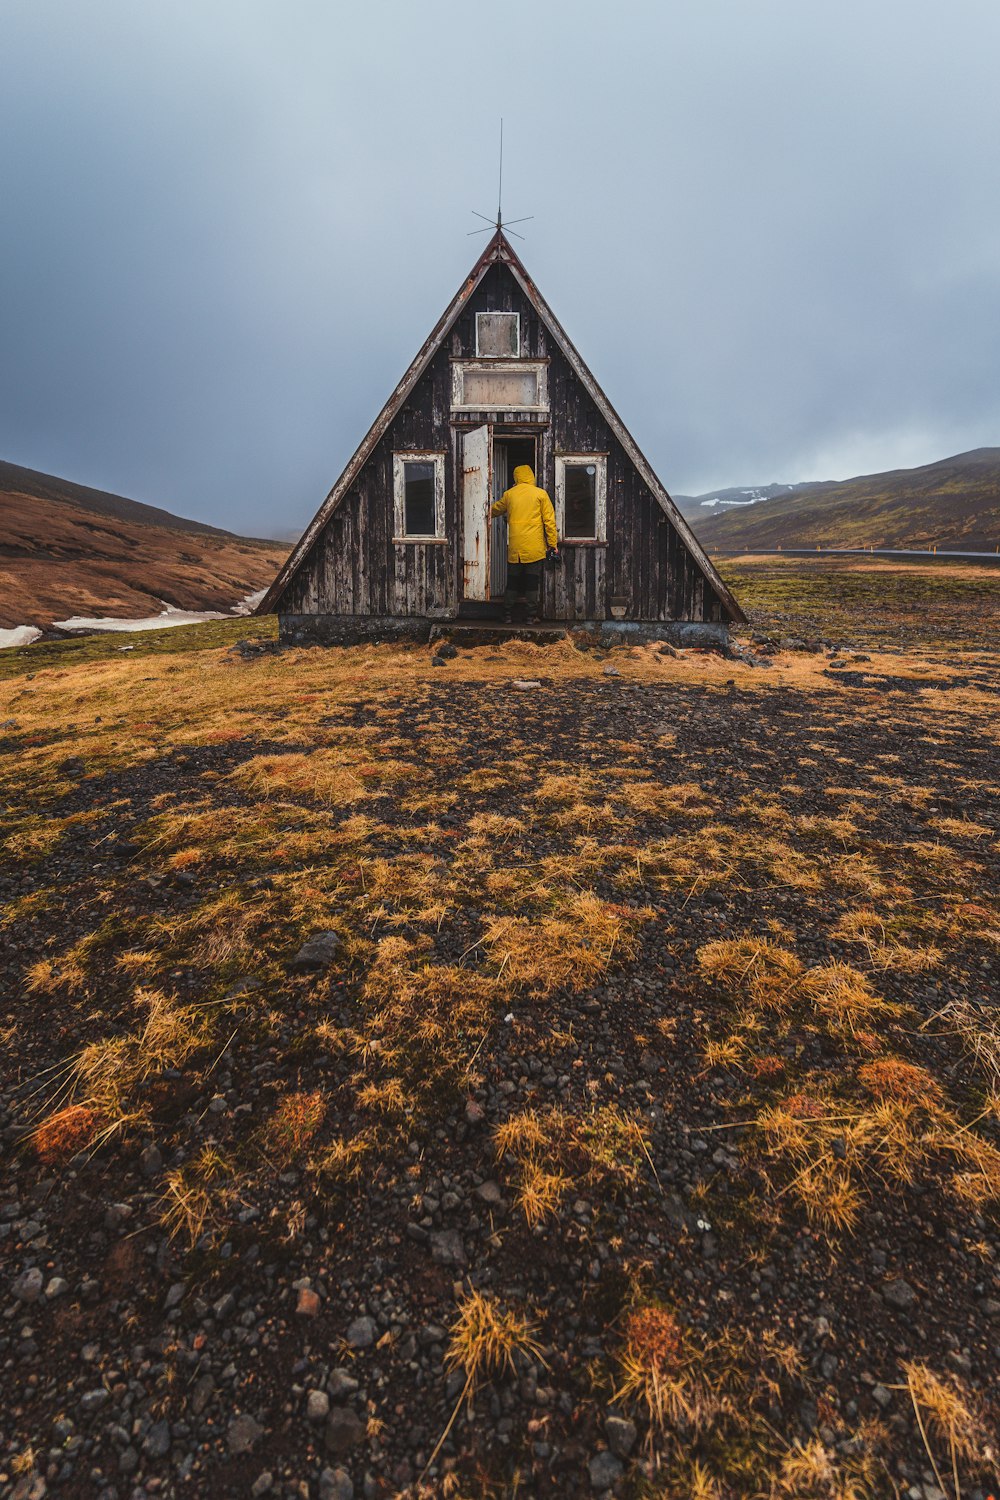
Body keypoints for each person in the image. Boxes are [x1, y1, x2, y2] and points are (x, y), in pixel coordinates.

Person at [490, 464, 558, 623]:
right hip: (534, 547)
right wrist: (552, 544)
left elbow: (495, 510)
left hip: (515, 547)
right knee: (531, 582)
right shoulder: (541, 494)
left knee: (513, 581)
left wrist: (480, 511)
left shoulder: (509, 494)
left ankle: (506, 614)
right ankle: (530, 616)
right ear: (531, 476)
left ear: (516, 477)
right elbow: (549, 522)